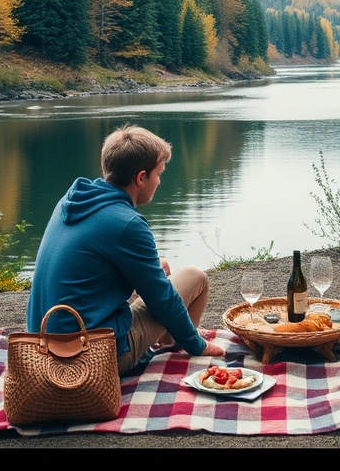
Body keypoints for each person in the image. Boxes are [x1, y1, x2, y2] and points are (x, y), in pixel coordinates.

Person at [26, 124, 224, 375]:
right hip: (91, 357)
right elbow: (162, 300)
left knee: (159, 272)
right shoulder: (128, 223)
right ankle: (181, 341)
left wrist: (153, 270)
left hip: (40, 346)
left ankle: (172, 335)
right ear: (141, 178)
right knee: (196, 278)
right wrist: (198, 345)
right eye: (159, 173)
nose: (160, 181)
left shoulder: (73, 200)